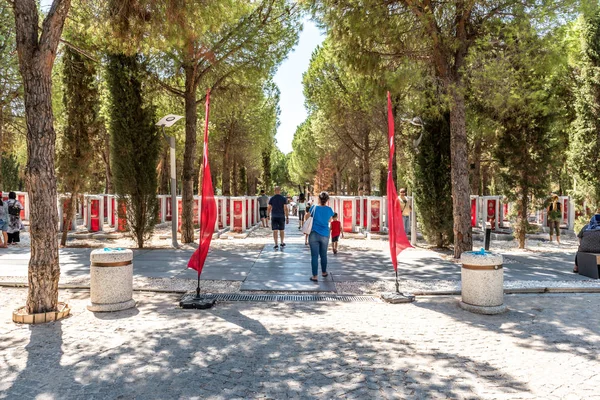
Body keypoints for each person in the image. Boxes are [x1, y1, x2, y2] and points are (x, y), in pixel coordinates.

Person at [308, 192, 334, 282]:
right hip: (325, 234)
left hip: (313, 234)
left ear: (318, 199)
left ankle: (315, 276)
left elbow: (307, 217)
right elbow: (330, 220)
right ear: (327, 200)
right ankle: (324, 272)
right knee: (323, 254)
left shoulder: (313, 208)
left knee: (314, 256)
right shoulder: (329, 209)